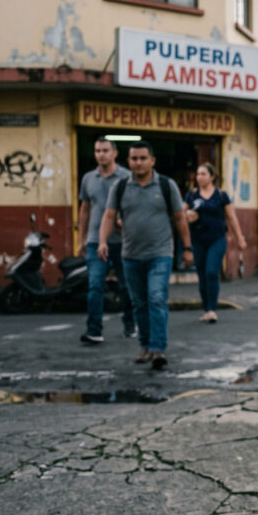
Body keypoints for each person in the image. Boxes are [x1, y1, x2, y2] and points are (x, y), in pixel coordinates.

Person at [98, 141, 193, 370]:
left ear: (152, 160)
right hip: (130, 255)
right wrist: (102, 241)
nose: (138, 163)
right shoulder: (120, 187)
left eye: (142, 158)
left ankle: (158, 348)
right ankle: (145, 345)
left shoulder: (166, 185)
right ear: (128, 161)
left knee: (156, 298)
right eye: (133, 159)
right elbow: (109, 216)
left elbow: (180, 218)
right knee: (139, 303)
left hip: (160, 253)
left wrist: (188, 248)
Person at [78, 137, 135, 344]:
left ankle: (130, 324)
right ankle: (94, 330)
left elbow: (135, 207)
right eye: (97, 150)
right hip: (95, 240)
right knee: (95, 285)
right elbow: (84, 209)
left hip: (122, 241)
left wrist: (125, 221)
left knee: (126, 286)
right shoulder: (88, 179)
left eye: (104, 150)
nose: (100, 154)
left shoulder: (127, 177)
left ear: (114, 153)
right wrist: (81, 239)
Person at [183, 163, 247, 323]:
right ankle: (206, 308)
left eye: (203, 174)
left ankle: (212, 309)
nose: (200, 177)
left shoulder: (221, 195)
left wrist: (240, 237)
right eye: (198, 174)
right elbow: (181, 215)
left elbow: (231, 217)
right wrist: (188, 216)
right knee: (202, 275)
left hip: (217, 238)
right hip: (198, 240)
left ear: (212, 177)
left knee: (212, 272)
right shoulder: (191, 195)